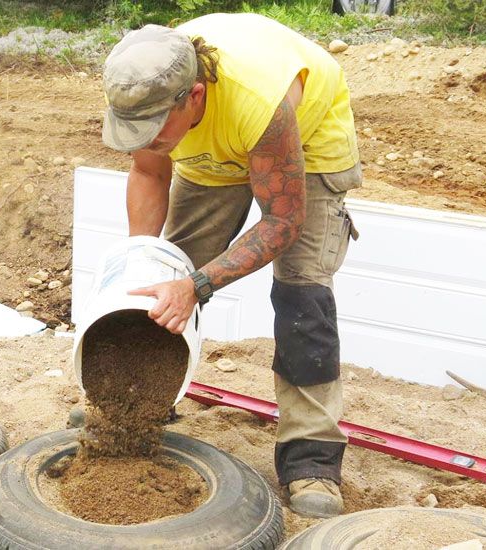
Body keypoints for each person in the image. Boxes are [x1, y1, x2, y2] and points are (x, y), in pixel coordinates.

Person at [100, 13, 361, 518]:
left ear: (193, 96)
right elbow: (147, 170)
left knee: (301, 296)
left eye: (155, 128)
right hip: (214, 147)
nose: (148, 137)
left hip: (304, 143)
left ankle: (312, 458)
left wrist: (197, 285)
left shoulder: (258, 98)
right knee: (163, 281)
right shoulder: (138, 84)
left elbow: (283, 221)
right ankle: (137, 406)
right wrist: (145, 263)